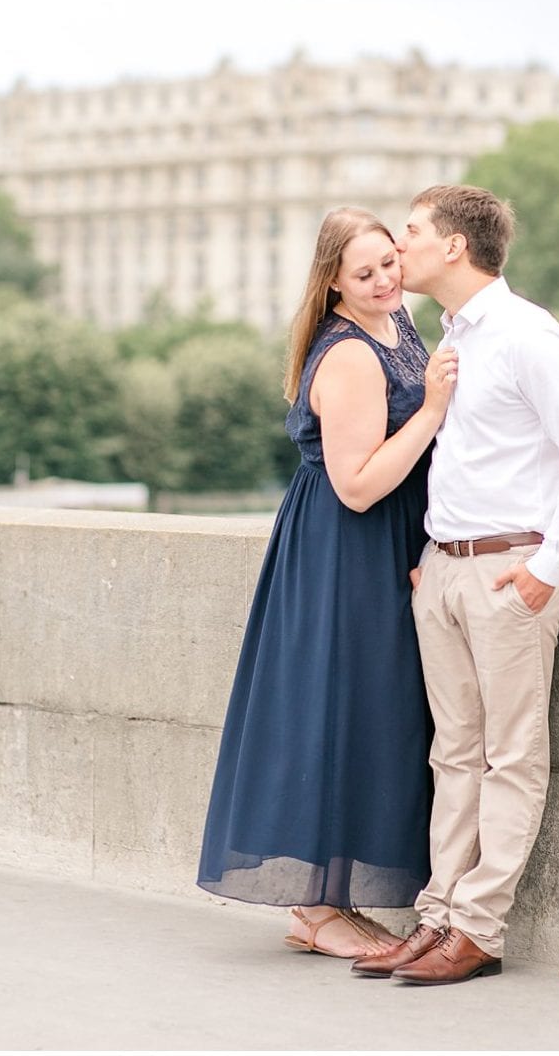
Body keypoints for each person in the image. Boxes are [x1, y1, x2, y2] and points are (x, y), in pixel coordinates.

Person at [351, 184, 559, 985]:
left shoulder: (528, 335)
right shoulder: (448, 334)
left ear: (456, 247)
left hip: (509, 570)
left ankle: (479, 929)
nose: (401, 246)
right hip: (445, 569)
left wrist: (545, 567)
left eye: (414, 232)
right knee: (454, 753)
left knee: (509, 756)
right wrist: (435, 558)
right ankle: (437, 920)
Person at [197, 207, 458, 959]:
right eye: (364, 273)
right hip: (347, 549)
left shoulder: (399, 326)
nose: (383, 281)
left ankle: (331, 901)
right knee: (337, 711)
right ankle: (315, 909)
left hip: (386, 545)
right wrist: (435, 408)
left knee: (372, 712)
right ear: (334, 285)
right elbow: (358, 485)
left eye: (389, 264)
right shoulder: (348, 353)